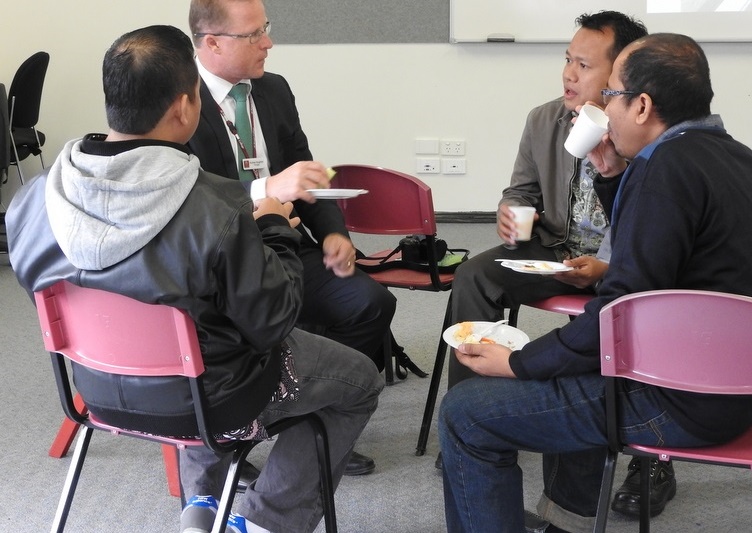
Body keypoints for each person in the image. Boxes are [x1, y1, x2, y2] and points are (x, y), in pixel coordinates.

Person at [5, 25, 384, 533]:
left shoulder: (32, 202)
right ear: (185, 108)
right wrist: (273, 229)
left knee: (202, 340)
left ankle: (202, 504)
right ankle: (264, 521)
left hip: (96, 390)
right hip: (213, 400)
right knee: (358, 379)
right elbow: (275, 319)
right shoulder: (218, 206)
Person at [438, 32, 752, 533]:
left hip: (682, 398)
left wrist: (517, 363)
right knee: (570, 364)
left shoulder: (665, 170)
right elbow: (660, 257)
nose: (604, 105)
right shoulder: (735, 156)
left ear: (642, 105)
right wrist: (610, 173)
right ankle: (568, 521)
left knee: (465, 412)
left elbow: (619, 313)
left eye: (611, 95)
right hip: (744, 383)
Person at [440, 11, 671, 524]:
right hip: (552, 249)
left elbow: (648, 235)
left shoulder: (642, 134)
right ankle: (473, 412)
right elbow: (520, 190)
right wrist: (510, 213)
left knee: (609, 323)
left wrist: (604, 266)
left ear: (620, 79)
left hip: (616, 263)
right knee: (475, 273)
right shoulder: (544, 118)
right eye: (567, 59)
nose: (568, 74)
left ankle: (654, 461)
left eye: (584, 65)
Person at [186, 0, 396, 478]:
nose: (269, 43)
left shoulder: (273, 89)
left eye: (267, 29)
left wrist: (335, 235)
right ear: (212, 43)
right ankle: (225, 447)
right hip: (222, 262)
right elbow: (189, 194)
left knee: (371, 304)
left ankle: (311, 433)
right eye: (254, 34)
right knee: (233, 333)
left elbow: (306, 171)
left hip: (287, 243)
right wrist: (263, 190)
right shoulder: (180, 99)